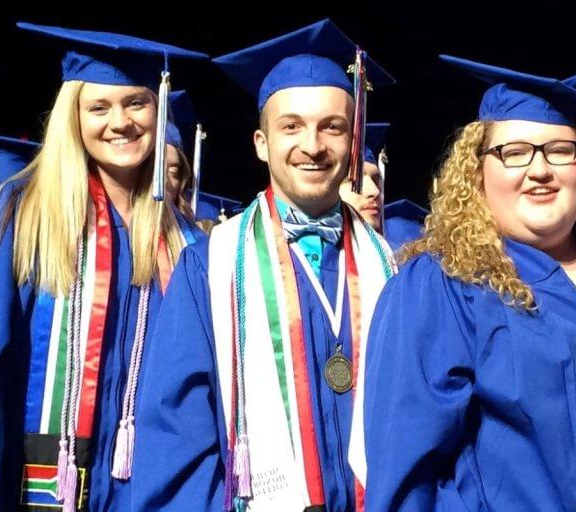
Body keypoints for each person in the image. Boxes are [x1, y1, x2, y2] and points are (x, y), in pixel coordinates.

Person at [0, 23, 208, 512]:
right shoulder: (17, 214)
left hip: (144, 491)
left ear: (158, 108)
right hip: (29, 490)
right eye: (99, 107)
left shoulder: (184, 241)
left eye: (136, 103)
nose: (121, 122)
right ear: (73, 117)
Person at [361, 54, 576, 511]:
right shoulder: (441, 284)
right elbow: (409, 478)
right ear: (477, 173)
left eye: (560, 150)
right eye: (513, 152)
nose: (540, 170)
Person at [129, 19, 397, 511]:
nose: (312, 145)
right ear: (260, 142)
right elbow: (177, 443)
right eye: (290, 126)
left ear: (351, 143)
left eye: (332, 127)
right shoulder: (209, 268)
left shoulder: (391, 269)